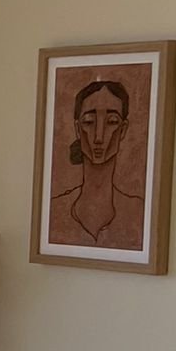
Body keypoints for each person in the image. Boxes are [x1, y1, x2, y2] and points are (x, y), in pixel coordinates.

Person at [48, 76, 145, 249]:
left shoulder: (138, 210)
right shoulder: (54, 208)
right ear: (78, 129)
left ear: (123, 130)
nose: (98, 137)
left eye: (111, 122)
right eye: (89, 122)